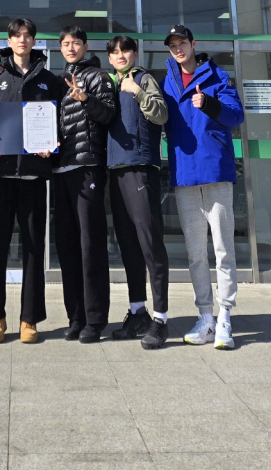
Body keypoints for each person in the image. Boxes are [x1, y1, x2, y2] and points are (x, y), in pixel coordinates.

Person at [0, 18, 63, 344]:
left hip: (33, 176)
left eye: (28, 36)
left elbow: (59, 123)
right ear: (9, 40)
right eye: (17, 36)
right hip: (0, 175)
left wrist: (52, 147)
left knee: (32, 249)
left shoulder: (48, 80)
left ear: (34, 41)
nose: (22, 40)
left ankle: (30, 319)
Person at [161, 24, 244, 350]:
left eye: (182, 43)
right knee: (196, 254)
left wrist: (209, 104)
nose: (178, 49)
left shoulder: (217, 77)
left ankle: (225, 318)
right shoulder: (167, 81)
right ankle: (205, 317)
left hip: (216, 172)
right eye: (173, 45)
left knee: (224, 250)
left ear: (194, 44)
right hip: (183, 176)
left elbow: (236, 116)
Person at [106, 35, 170, 350]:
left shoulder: (143, 79)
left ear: (134, 53)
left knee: (150, 245)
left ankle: (161, 319)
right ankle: (137, 311)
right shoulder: (110, 84)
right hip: (116, 172)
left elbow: (161, 114)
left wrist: (139, 92)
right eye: (114, 52)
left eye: (125, 51)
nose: (120, 55)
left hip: (141, 170)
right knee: (129, 246)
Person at [54, 25, 115, 344]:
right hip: (61, 170)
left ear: (85, 45)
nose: (71, 47)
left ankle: (95, 319)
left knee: (90, 245)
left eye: (76, 42)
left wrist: (86, 98)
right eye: (65, 43)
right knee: (67, 246)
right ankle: (75, 316)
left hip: (88, 167)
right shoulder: (60, 80)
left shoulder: (97, 77)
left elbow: (108, 115)